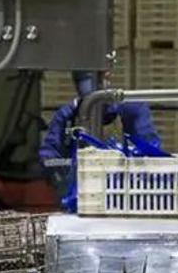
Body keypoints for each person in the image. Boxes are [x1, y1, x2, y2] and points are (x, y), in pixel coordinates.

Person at [37, 71, 159, 210]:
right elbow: (49, 153)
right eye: (80, 79)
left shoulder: (131, 109)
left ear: (107, 76)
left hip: (128, 199)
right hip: (81, 201)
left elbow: (150, 153)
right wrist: (60, 176)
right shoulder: (68, 114)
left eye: (90, 78)